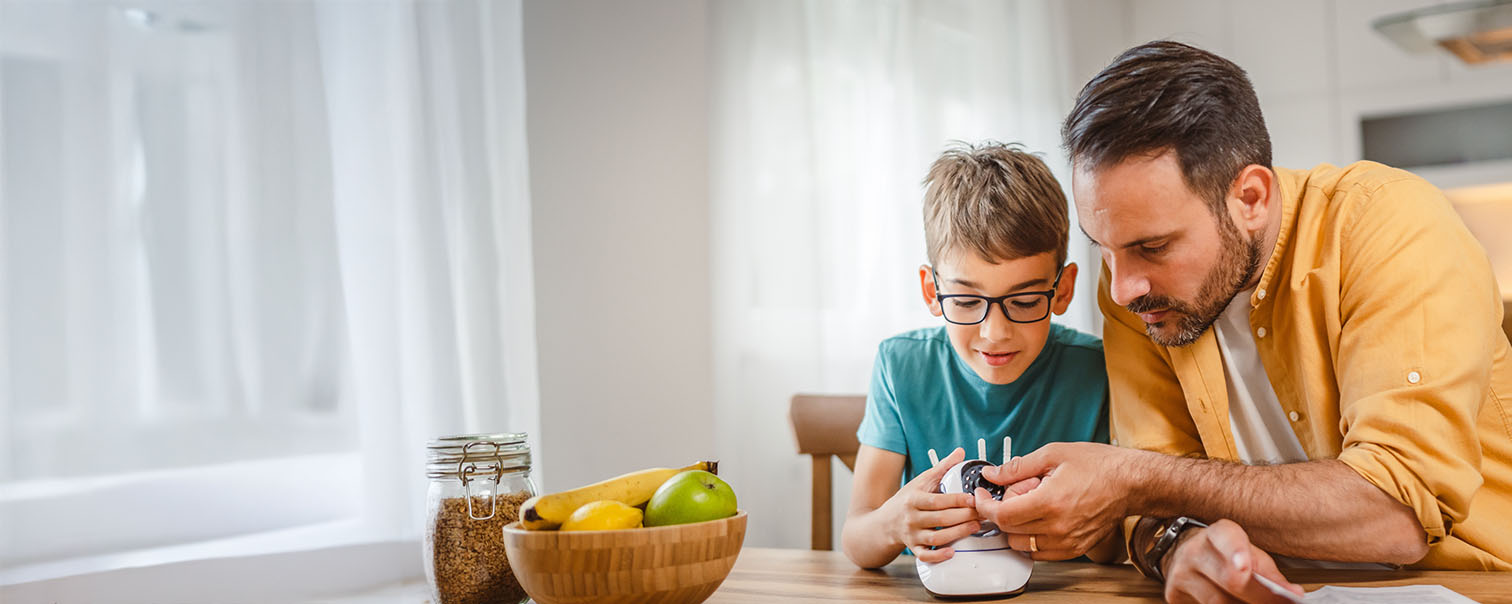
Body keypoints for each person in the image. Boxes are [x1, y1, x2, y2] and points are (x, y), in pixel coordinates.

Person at [971, 41, 1512, 602]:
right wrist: (1180, 547)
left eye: (1153, 246)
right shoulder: (1135, 290)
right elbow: (1152, 508)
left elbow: (1395, 512)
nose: (1124, 284)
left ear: (1250, 197)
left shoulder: (1389, 225)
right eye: (1103, 248)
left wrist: (1134, 480)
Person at [840, 142, 1117, 569]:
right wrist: (895, 524)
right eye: (967, 302)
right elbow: (857, 539)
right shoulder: (900, 366)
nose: (995, 333)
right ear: (932, 292)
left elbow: (1116, 546)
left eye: (1025, 301)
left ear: (1062, 290)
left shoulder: (1098, 371)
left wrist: (1081, 517)